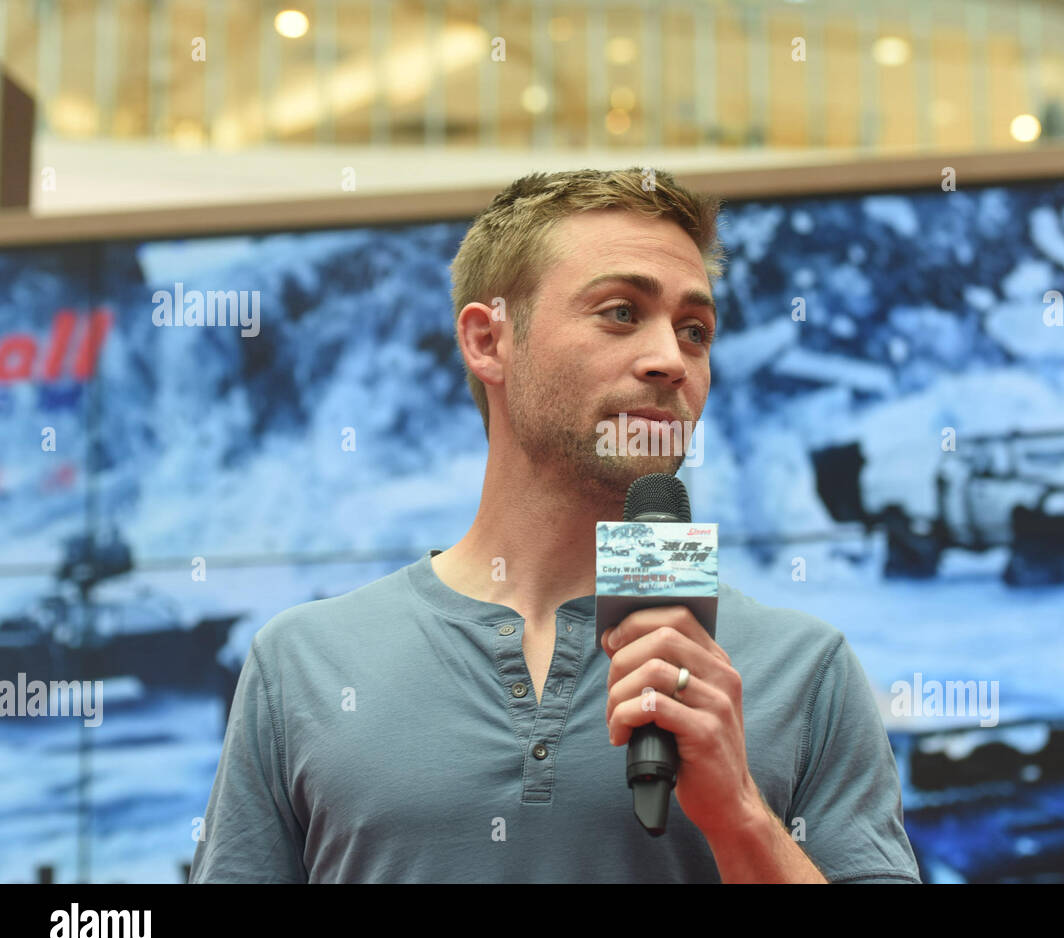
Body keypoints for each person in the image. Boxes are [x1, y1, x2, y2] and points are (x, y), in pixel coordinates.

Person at [190, 167, 920, 883]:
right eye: (621, 313)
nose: (671, 359)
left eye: (695, 330)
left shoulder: (806, 670)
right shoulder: (300, 664)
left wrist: (741, 816)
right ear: (488, 341)